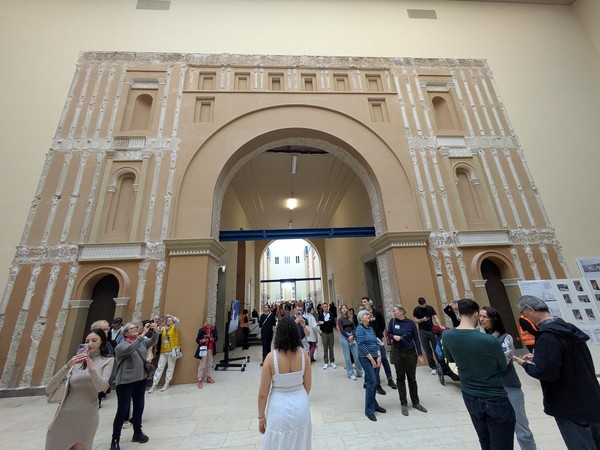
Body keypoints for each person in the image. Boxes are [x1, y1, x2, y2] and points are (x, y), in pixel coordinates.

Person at [513, 295, 600, 450]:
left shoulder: (547, 336)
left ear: (530, 310)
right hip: (590, 398)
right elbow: (568, 357)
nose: (523, 317)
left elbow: (546, 372)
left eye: (523, 312)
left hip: (568, 403)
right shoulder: (568, 328)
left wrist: (525, 365)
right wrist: (539, 357)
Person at [443, 299, 515, 450]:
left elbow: (451, 359)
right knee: (502, 443)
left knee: (485, 440)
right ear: (476, 314)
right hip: (494, 396)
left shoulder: (447, 335)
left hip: (469, 394)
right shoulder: (490, 340)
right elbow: (502, 365)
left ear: (458, 312)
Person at [45, 328, 114, 450]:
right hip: (64, 415)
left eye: (94, 340)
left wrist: (91, 368)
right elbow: (49, 389)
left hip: (87, 417)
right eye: (87, 341)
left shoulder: (108, 360)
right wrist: (67, 366)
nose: (90, 344)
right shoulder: (76, 361)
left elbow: (101, 388)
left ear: (102, 342)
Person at [480, 306, 537, 450]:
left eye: (484, 316)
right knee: (496, 429)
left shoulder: (505, 337)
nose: (481, 320)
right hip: (490, 388)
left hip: (509, 386)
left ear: (493, 319)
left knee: (521, 428)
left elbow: (502, 362)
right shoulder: (479, 337)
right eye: (479, 316)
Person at [258, 317, 312, 449]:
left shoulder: (271, 358)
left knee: (278, 442)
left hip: (278, 406)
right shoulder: (304, 354)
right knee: (301, 442)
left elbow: (263, 393)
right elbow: (308, 385)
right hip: (301, 404)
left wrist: (261, 417)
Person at [111, 321, 159, 450]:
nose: (135, 329)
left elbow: (152, 341)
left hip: (140, 379)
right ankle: (115, 439)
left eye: (136, 327)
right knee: (122, 410)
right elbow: (131, 348)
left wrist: (155, 331)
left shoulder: (142, 342)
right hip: (126, 382)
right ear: (125, 333)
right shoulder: (121, 346)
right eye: (132, 328)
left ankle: (137, 432)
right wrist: (142, 334)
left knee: (139, 407)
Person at [387, 305, 427, 416]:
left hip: (410, 353)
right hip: (398, 352)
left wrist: (420, 354)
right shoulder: (392, 322)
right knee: (400, 378)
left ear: (401, 311)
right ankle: (403, 404)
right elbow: (389, 333)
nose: (393, 312)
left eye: (395, 311)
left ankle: (416, 402)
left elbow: (416, 339)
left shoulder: (410, 323)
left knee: (412, 378)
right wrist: (393, 337)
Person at [355, 309, 386, 421]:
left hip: (375, 357)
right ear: (361, 318)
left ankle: (374, 405)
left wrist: (379, 356)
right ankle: (369, 410)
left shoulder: (370, 328)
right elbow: (361, 345)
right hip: (365, 358)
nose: (369, 316)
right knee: (371, 381)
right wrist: (372, 360)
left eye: (369, 314)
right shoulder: (359, 329)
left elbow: (376, 342)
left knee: (373, 381)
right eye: (366, 314)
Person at [361, 296, 397, 392]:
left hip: (378, 338)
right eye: (362, 302)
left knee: (383, 358)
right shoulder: (362, 314)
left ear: (369, 302)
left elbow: (382, 324)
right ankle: (371, 382)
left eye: (365, 301)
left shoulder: (376, 312)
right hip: (368, 340)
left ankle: (390, 379)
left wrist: (379, 334)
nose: (364, 303)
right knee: (372, 360)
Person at [149, 313, 180, 393]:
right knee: (160, 367)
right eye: (167, 320)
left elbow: (177, 321)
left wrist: (171, 316)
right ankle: (154, 384)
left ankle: (167, 383)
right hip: (164, 350)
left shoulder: (175, 327)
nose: (168, 321)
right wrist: (156, 324)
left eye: (170, 320)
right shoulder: (163, 328)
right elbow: (156, 331)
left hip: (172, 350)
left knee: (170, 367)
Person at [413, 297, 444, 375]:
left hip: (431, 329)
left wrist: (439, 325)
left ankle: (441, 365)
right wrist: (423, 319)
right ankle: (433, 367)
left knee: (436, 348)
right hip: (422, 331)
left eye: (424, 304)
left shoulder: (430, 308)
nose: (424, 306)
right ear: (419, 304)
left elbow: (435, 316)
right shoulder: (416, 310)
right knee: (427, 350)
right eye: (422, 305)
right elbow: (415, 320)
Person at [337, 304, 363, 380]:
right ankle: (350, 373)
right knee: (347, 357)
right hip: (344, 337)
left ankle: (360, 372)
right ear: (341, 310)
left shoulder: (350, 318)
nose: (344, 309)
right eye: (343, 308)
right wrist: (348, 337)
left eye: (345, 308)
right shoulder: (340, 319)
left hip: (352, 335)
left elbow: (354, 327)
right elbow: (341, 330)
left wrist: (352, 335)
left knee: (356, 356)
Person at [196, 317, 219, 389]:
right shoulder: (202, 330)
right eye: (208, 325)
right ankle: (200, 379)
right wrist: (202, 341)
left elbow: (216, 338)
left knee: (210, 363)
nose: (209, 327)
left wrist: (211, 339)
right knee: (202, 364)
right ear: (205, 324)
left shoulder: (214, 329)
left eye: (210, 325)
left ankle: (209, 377)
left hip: (211, 349)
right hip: (204, 349)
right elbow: (197, 340)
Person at [317, 302, 337, 369]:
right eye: (324, 306)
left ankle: (332, 361)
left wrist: (324, 323)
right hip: (324, 333)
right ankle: (326, 362)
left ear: (328, 307)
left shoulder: (331, 314)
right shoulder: (320, 315)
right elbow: (320, 323)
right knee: (325, 348)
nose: (325, 308)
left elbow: (332, 323)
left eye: (326, 306)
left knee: (331, 347)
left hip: (331, 332)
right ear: (322, 308)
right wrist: (327, 322)